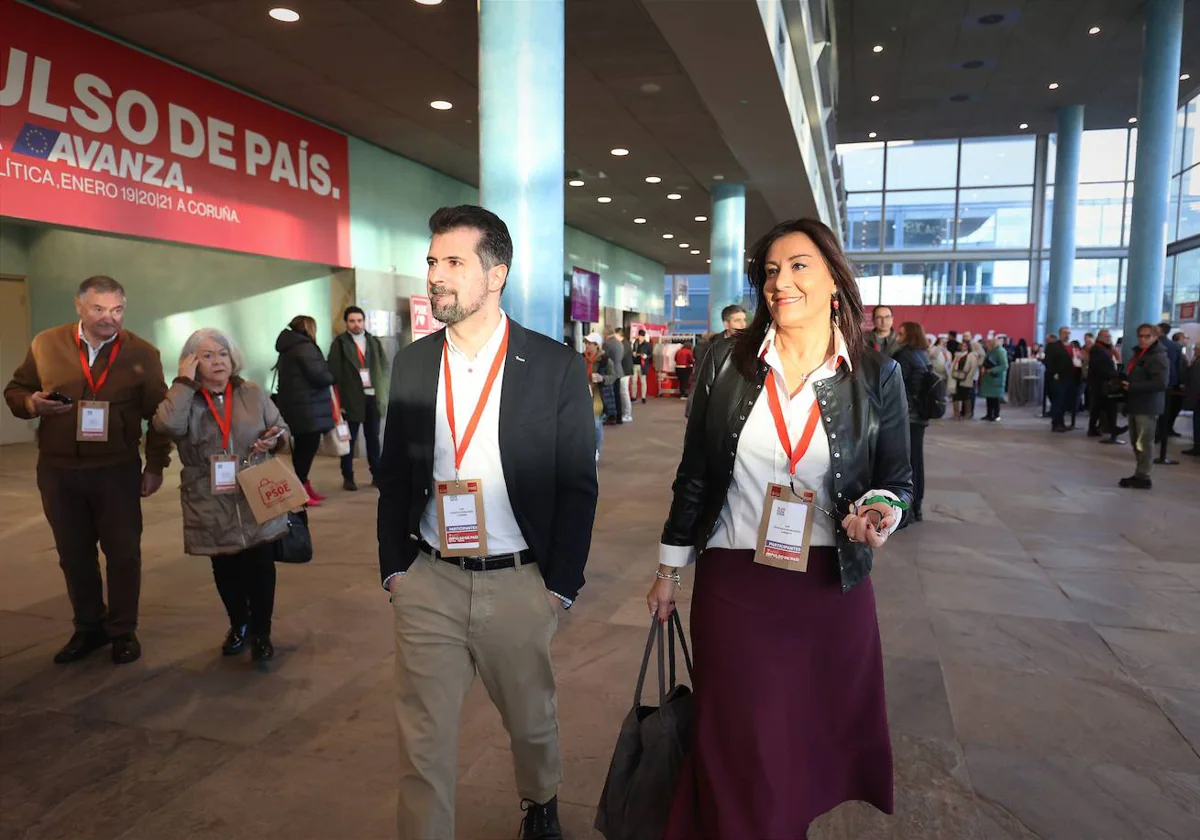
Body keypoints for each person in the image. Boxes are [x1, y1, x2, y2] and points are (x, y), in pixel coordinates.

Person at [647, 218, 911, 839]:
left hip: (829, 589)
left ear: (834, 282)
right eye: (770, 271)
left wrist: (877, 511)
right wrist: (667, 570)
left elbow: (898, 480)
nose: (780, 281)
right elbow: (695, 474)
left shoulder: (876, 376)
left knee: (803, 749)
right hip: (737, 585)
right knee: (741, 745)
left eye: (798, 266)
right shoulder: (724, 362)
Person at [377, 205, 598, 840]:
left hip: (519, 580)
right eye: (431, 263)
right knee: (422, 744)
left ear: (494, 275)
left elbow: (577, 485)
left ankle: (541, 799)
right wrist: (396, 568)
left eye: (452, 263)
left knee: (531, 721)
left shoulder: (553, 367)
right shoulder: (417, 363)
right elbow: (395, 474)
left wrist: (559, 585)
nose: (435, 276)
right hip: (431, 580)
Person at [3, 275, 169, 665]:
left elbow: (159, 416)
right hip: (59, 470)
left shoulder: (142, 352)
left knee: (123, 553)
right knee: (74, 553)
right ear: (79, 306)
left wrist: (156, 464)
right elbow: (15, 390)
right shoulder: (46, 343)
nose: (109, 318)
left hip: (116, 469)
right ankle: (88, 628)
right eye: (99, 309)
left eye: (117, 310)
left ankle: (123, 630)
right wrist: (32, 404)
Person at [153, 328, 290, 661]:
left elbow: (284, 430)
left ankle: (262, 632)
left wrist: (274, 439)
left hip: (255, 492)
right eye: (207, 355)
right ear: (191, 363)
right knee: (225, 567)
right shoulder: (184, 397)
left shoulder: (252, 393)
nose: (218, 362)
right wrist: (183, 384)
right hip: (209, 495)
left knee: (260, 566)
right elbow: (165, 426)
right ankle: (238, 624)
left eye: (223, 354)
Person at [274, 315, 335, 506]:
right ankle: (300, 491)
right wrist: (333, 375)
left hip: (297, 407)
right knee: (306, 451)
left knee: (302, 451)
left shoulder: (289, 348)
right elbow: (319, 376)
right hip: (308, 409)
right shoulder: (304, 348)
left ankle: (304, 487)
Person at [328, 306, 390, 491]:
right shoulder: (339, 344)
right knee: (349, 440)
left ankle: (377, 475)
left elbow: (384, 368)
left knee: (373, 439)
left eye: (359, 320)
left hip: (373, 398)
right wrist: (339, 403)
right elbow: (334, 373)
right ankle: (348, 477)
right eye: (352, 321)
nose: (356, 324)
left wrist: (384, 394)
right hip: (351, 399)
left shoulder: (373, 342)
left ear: (364, 322)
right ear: (346, 323)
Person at [1119, 324, 1169, 490]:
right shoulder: (1141, 354)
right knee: (1136, 441)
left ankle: (1143, 475)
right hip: (1137, 403)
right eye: (1140, 335)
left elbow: (1160, 383)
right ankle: (1140, 473)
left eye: (1147, 336)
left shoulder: (1158, 356)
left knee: (1144, 442)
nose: (1142, 339)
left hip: (1147, 406)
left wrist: (1132, 386)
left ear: (1155, 337)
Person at [894, 322, 930, 521]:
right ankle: (917, 505)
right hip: (920, 416)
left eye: (900, 333)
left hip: (908, 416)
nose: (897, 336)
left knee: (905, 464)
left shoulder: (904, 355)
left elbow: (896, 385)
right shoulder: (922, 354)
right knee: (917, 461)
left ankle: (905, 508)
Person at [691, 305, 748, 415]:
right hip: (717, 403)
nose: (743, 325)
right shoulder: (711, 346)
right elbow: (701, 379)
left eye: (744, 320)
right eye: (737, 320)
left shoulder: (750, 345)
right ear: (726, 324)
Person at [584, 332, 617, 463]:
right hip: (583, 394)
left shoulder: (605, 361)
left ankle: (596, 450)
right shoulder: (581, 358)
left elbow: (613, 377)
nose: (586, 346)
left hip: (598, 395)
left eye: (589, 343)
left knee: (596, 423)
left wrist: (602, 378)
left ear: (597, 346)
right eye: (585, 343)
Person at [1087, 329, 1120, 438]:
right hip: (1100, 382)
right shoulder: (1097, 349)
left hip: (1103, 381)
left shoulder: (1106, 349)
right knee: (1100, 406)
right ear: (1100, 337)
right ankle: (1106, 427)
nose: (1108, 338)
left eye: (1109, 336)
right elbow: (1099, 366)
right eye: (1106, 337)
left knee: (1101, 406)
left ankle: (1107, 427)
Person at [1044, 326, 1077, 432]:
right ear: (1060, 334)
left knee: (1065, 401)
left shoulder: (1072, 347)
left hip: (1070, 377)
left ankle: (1062, 422)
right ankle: (1056, 423)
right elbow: (1048, 361)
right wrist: (1054, 373)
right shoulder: (1053, 346)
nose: (1066, 335)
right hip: (1058, 377)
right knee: (1058, 401)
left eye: (1068, 333)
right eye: (1064, 333)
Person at [1157, 322, 1184, 439]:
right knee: (1168, 408)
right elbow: (1179, 367)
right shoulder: (1176, 346)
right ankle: (1166, 430)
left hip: (1154, 381)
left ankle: (1157, 433)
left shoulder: (1152, 345)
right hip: (1171, 382)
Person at [979, 337, 1009, 421]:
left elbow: (1004, 365)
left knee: (995, 398)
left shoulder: (1000, 351)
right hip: (988, 378)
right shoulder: (990, 351)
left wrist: (992, 370)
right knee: (989, 397)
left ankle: (996, 415)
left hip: (996, 378)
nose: (987, 344)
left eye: (989, 343)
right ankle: (989, 414)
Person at [950, 339, 980, 419]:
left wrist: (969, 377)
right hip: (956, 378)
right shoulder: (957, 355)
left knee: (966, 397)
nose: (963, 347)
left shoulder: (971, 355)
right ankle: (956, 414)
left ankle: (968, 414)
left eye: (965, 346)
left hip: (966, 378)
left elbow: (973, 368)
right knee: (955, 396)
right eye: (962, 345)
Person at [602, 327, 625, 425]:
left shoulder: (606, 344)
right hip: (619, 370)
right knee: (617, 395)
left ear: (606, 333)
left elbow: (604, 357)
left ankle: (611, 416)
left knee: (610, 395)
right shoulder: (620, 343)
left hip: (610, 371)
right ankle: (619, 416)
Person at [1183, 338, 1200, 457]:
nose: (1194, 350)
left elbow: (1195, 382)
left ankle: (1197, 447)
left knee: (1198, 423)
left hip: (1198, 398)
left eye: (1196, 349)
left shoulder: (1198, 363)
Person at [616, 327, 634, 422]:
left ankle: (627, 414)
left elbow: (620, 356)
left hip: (625, 371)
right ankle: (625, 413)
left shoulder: (625, 344)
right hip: (623, 370)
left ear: (619, 335)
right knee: (623, 392)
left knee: (624, 392)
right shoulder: (624, 343)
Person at [631, 329, 652, 404]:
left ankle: (643, 397)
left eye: (642, 336)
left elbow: (651, 355)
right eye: (639, 336)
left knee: (643, 381)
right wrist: (633, 353)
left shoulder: (648, 344)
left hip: (643, 365)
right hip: (635, 363)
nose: (640, 338)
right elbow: (633, 351)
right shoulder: (635, 343)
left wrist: (646, 356)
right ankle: (633, 396)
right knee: (634, 381)